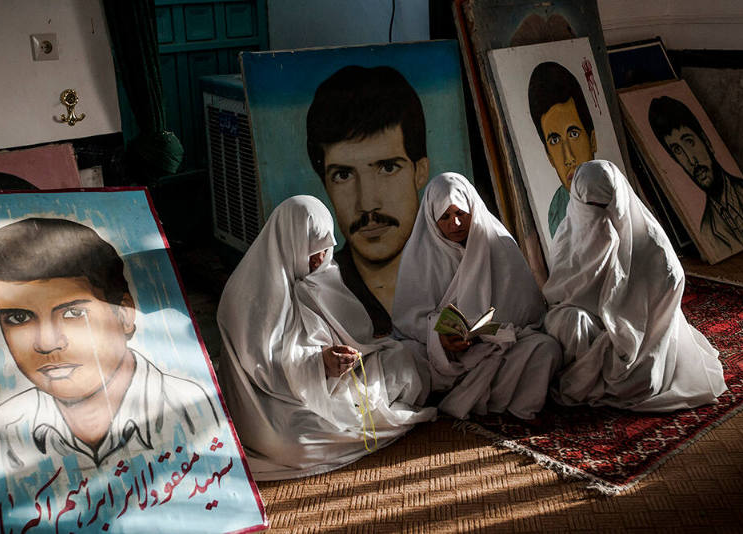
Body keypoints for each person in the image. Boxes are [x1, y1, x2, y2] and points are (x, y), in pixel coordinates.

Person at [0, 218, 220, 478]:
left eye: (72, 313)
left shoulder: (191, 407)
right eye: (19, 318)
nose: (47, 343)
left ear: (125, 315)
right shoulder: (2, 429)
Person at [215, 195, 435, 480]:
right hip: (272, 405)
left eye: (325, 248)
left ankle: (355, 421)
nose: (321, 259)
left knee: (405, 360)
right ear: (290, 242)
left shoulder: (320, 275)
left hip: (333, 384)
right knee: (294, 444)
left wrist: (340, 358)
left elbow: (359, 338)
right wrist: (319, 365)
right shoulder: (247, 294)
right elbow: (264, 370)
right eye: (313, 249)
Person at [543, 160, 727, 411]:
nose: (599, 217)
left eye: (606, 206)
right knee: (567, 323)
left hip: (640, 334)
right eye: (590, 208)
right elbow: (560, 296)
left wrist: (624, 324)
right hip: (592, 324)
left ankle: (595, 380)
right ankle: (591, 375)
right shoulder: (567, 235)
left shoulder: (652, 245)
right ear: (577, 203)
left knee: (645, 381)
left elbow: (669, 287)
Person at [391, 173, 562, 420]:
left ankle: (474, 398)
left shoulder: (499, 244)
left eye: (461, 214)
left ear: (473, 208)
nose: (456, 224)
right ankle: (467, 394)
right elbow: (408, 321)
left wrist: (487, 332)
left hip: (495, 349)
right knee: (403, 355)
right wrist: (440, 336)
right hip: (440, 354)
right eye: (445, 217)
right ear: (431, 218)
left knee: (545, 349)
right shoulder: (420, 256)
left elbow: (527, 316)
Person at [306, 65, 430, 335]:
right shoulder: (319, 294)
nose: (367, 204)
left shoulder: (460, 271)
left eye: (387, 168)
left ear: (420, 171)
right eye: (343, 175)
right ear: (325, 184)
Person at [648, 95, 743, 251]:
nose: (691, 159)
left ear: (706, 141)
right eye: (677, 150)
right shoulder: (706, 231)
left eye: (689, 141)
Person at [528, 61, 598, 238]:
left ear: (592, 140)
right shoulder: (557, 212)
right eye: (555, 140)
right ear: (549, 156)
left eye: (574, 134)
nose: (569, 158)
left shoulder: (616, 195)